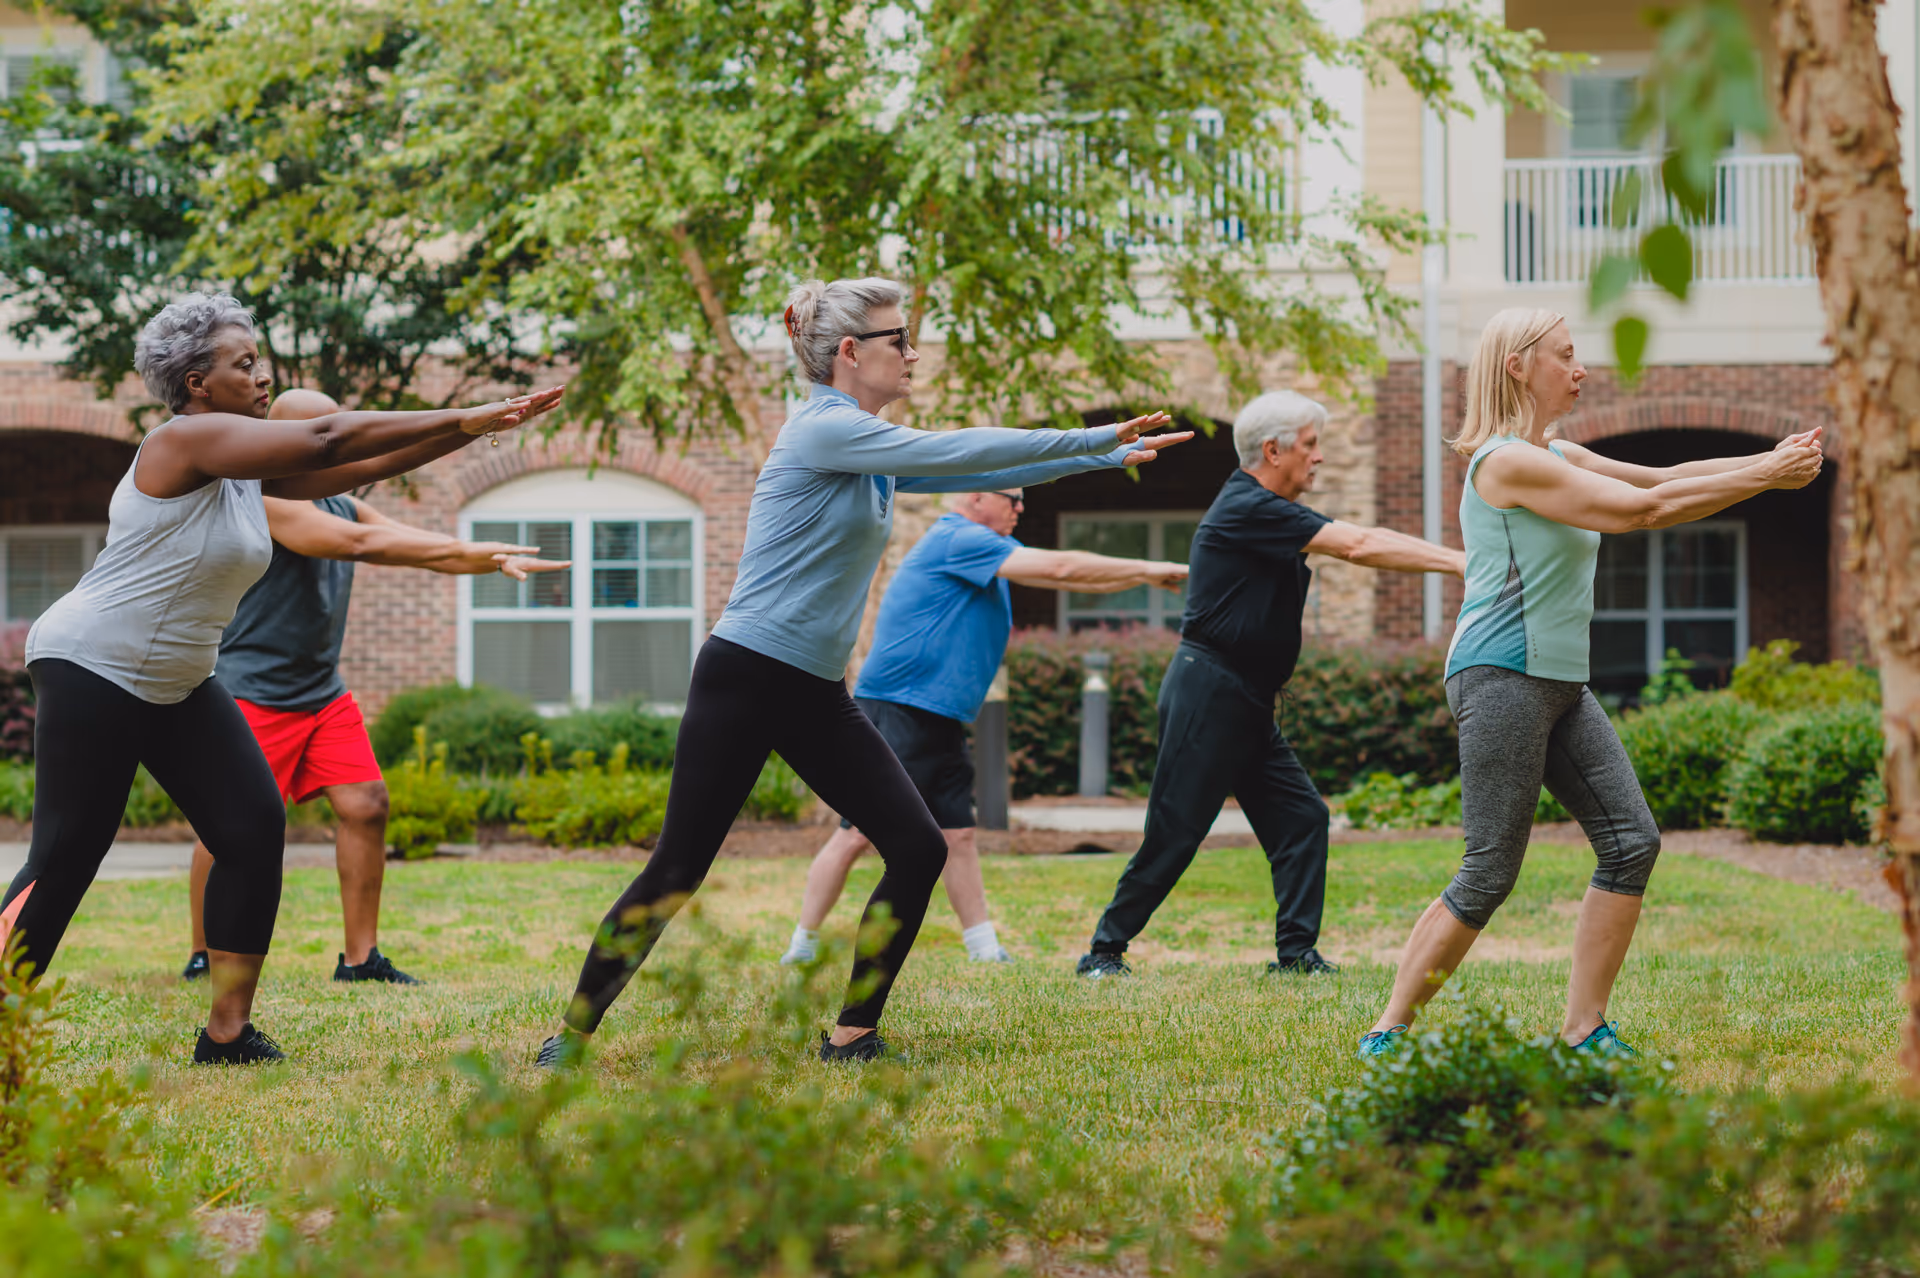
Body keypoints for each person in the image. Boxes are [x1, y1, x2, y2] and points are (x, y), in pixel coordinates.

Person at [538, 276, 1191, 1067]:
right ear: (850, 352)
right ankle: (569, 1036)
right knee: (679, 865)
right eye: (898, 340)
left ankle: (853, 1035)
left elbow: (963, 468)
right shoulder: (823, 431)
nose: (912, 355)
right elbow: (961, 449)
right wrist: (1091, 439)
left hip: (812, 687)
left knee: (916, 847)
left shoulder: (868, 448)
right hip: (746, 673)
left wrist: (1105, 454)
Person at [8, 292, 562, 1065]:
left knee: (250, 827)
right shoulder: (181, 442)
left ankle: (227, 1033)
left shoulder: (243, 476)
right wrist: (462, 414)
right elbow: (329, 433)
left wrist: (462, 434)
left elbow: (350, 460)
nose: (263, 377)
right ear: (197, 382)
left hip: (178, 675)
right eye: (244, 365)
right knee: (68, 854)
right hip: (94, 663)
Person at [1357, 308, 1823, 1059]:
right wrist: (1764, 477)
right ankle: (1387, 1032)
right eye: (1565, 356)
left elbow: (1666, 479)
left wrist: (1766, 463)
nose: (1581, 370)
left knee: (1630, 841)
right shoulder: (1503, 462)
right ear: (1518, 365)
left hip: (1560, 681)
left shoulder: (1560, 452)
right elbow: (1640, 514)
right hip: (1501, 675)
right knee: (1489, 870)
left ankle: (1583, 1029)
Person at [176, 388, 570, 988]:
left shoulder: (341, 502)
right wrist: (471, 549)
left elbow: (412, 546)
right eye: (323, 432)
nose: (336, 440)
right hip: (253, 689)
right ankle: (205, 950)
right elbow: (361, 546)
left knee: (366, 805)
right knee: (232, 826)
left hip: (320, 690)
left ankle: (360, 959)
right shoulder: (261, 500)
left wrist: (487, 560)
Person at [1075, 390, 1464, 980]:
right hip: (1209, 693)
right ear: (1273, 449)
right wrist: (1463, 563)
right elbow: (1358, 544)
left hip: (1244, 698)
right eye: (1311, 446)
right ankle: (1103, 952)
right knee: (1177, 831)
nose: (1320, 458)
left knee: (1302, 817)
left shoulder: (1264, 509)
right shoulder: (1249, 505)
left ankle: (1295, 955)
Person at [779, 486, 1188, 967]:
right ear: (976, 496)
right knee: (856, 834)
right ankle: (800, 947)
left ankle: (983, 948)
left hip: (941, 716)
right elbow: (1061, 568)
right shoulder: (958, 538)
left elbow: (1073, 581)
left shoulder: (986, 551)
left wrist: (1147, 580)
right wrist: (1152, 568)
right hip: (898, 710)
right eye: (1012, 499)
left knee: (959, 835)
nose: (1020, 509)